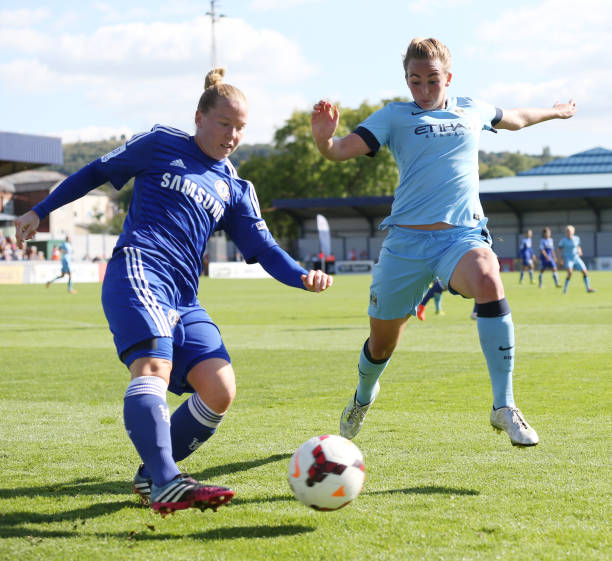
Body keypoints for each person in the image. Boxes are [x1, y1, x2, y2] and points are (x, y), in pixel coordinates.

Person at [15, 67, 333, 516]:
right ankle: (167, 480)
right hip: (139, 269)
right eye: (225, 124)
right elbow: (96, 172)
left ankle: (152, 476)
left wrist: (302, 275)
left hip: (184, 296)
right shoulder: (160, 143)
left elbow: (263, 248)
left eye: (241, 128)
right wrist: (41, 209)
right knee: (153, 366)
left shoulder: (236, 187)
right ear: (199, 117)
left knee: (220, 388)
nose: (233, 135)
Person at [311, 37, 577, 447]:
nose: (423, 88)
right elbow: (340, 150)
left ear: (448, 77)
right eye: (414, 80)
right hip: (405, 245)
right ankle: (363, 397)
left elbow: (518, 117)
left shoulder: (472, 108)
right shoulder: (394, 117)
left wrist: (555, 113)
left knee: (489, 278)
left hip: (461, 237)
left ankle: (503, 406)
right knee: (382, 344)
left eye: (432, 79)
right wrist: (324, 141)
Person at [557, 225, 596, 294]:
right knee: (570, 272)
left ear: (573, 232)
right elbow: (559, 249)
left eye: (570, 231)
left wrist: (580, 251)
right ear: (566, 232)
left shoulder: (576, 238)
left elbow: (578, 246)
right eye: (567, 231)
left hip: (576, 258)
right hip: (569, 258)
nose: (569, 232)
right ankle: (565, 289)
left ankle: (588, 288)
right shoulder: (564, 240)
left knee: (585, 272)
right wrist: (560, 259)